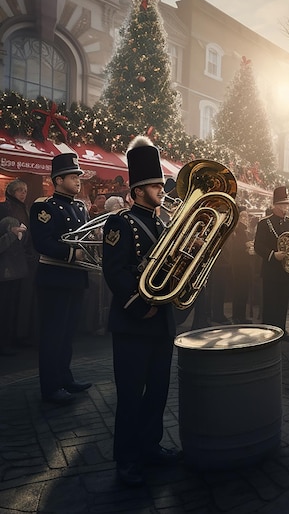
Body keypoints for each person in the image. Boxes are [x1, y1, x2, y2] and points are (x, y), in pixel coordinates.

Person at [102, 136, 181, 487]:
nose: (160, 189)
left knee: (159, 391)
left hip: (161, 322)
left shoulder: (165, 224)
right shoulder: (120, 224)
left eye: (159, 184)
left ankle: (150, 446)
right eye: (153, 185)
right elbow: (115, 273)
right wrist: (140, 305)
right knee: (131, 395)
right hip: (134, 323)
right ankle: (127, 459)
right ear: (136, 190)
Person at [30, 153, 92, 405]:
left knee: (67, 334)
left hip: (75, 278)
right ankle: (50, 386)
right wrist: (72, 253)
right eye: (73, 176)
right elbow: (42, 243)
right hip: (54, 278)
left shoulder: (79, 207)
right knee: (53, 335)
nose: (78, 180)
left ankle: (65, 377)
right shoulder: (43, 206)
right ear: (58, 180)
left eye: (78, 176)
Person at [253, 186, 289, 340]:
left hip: (286, 270)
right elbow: (258, 246)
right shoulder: (264, 223)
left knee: (282, 302)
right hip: (271, 269)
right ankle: (268, 332)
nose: (284, 208)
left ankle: (281, 330)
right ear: (274, 205)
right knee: (270, 302)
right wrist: (273, 255)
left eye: (286, 205)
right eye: (281, 205)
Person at [0, 179, 38, 347]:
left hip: (24, 260)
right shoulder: (4, 208)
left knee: (19, 301)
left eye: (25, 190)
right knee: (6, 303)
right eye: (19, 190)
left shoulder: (26, 209)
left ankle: (16, 336)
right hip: (8, 262)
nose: (23, 193)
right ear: (11, 192)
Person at [0, 216, 27, 355]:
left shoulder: (18, 238)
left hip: (16, 276)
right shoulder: (6, 237)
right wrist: (12, 235)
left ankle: (9, 340)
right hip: (5, 278)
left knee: (12, 310)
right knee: (5, 311)